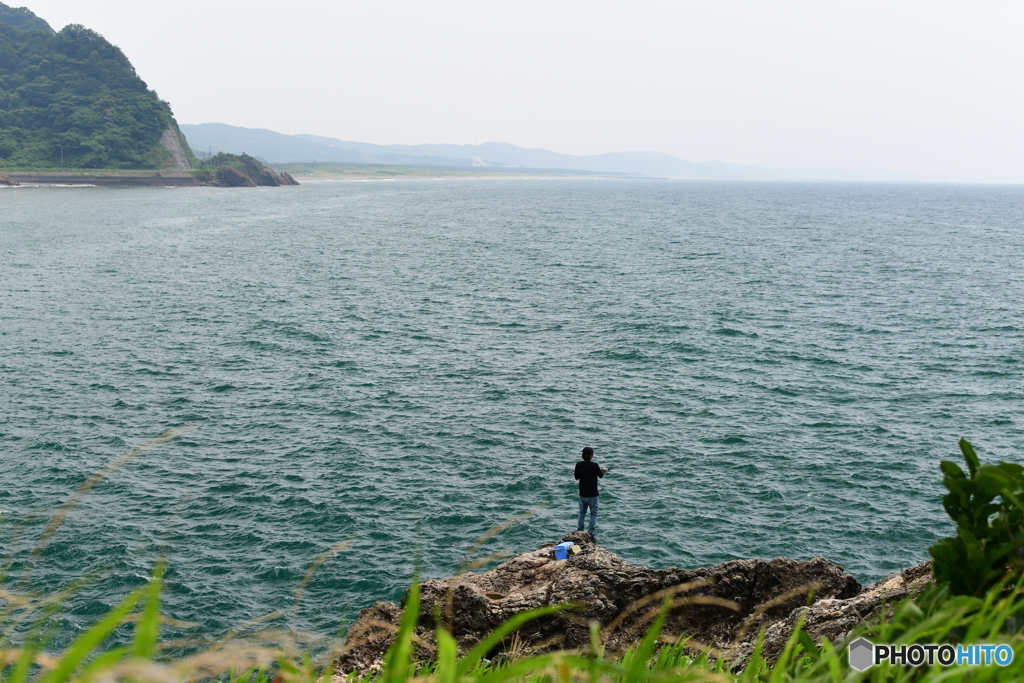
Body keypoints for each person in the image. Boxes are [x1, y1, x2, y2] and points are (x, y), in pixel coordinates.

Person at [574, 446, 609, 541]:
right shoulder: (595, 465)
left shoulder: (578, 465)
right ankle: (590, 534)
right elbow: (600, 475)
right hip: (593, 495)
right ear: (591, 455)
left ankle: (579, 531)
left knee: (582, 513)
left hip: (583, 494)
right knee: (593, 514)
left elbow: (577, 477)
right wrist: (603, 470)